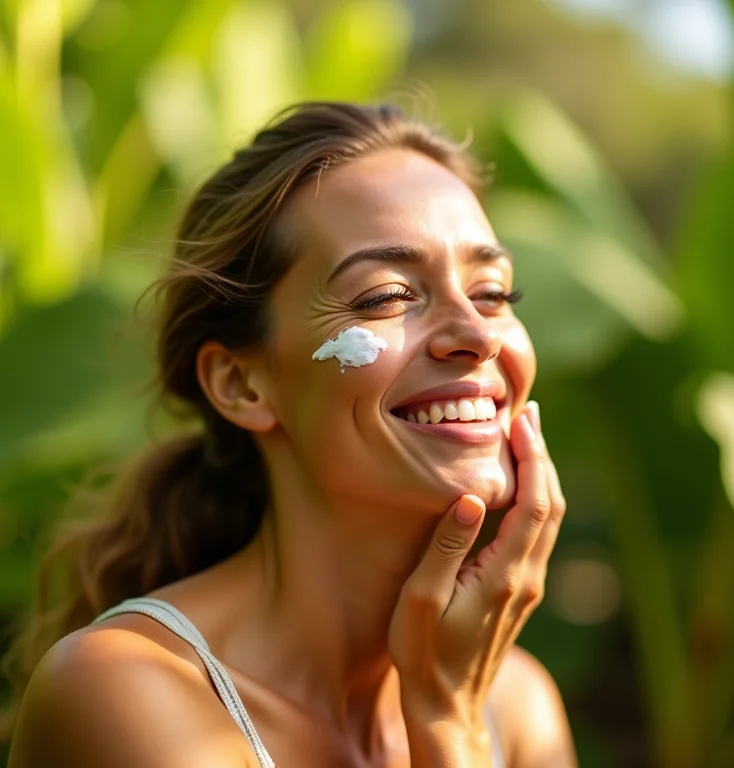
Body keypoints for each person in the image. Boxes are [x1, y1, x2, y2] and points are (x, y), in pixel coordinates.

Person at [5, 102, 576, 767]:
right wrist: (448, 725)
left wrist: (458, 709)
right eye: (387, 295)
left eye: (493, 292)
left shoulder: (517, 702)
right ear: (242, 385)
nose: (476, 336)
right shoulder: (124, 689)